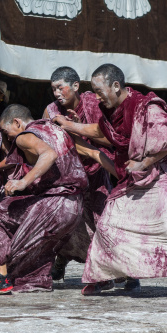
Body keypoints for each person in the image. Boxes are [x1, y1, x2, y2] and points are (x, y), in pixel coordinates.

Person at [53, 63, 167, 298]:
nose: (97, 97)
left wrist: (145, 162)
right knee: (109, 223)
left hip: (158, 176)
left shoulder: (145, 105)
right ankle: (101, 276)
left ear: (116, 85)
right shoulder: (109, 111)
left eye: (100, 91)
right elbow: (102, 133)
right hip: (131, 178)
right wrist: (69, 125)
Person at [0, 104, 90, 293]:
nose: (9, 138)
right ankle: (36, 280)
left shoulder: (24, 136)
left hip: (55, 204)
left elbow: (48, 154)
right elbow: (24, 155)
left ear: (17, 122)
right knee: (40, 245)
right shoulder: (52, 128)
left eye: (7, 132)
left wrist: (23, 182)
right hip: (74, 206)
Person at [43, 66, 113, 281]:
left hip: (97, 171)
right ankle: (63, 258)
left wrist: (79, 127)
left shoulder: (95, 104)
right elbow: (45, 142)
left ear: (75, 86)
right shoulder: (51, 111)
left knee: (105, 222)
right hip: (68, 176)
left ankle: (124, 272)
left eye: (60, 88)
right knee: (67, 221)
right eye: (53, 89)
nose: (56, 94)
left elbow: (110, 138)